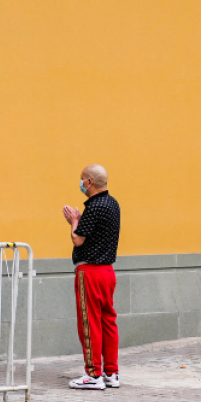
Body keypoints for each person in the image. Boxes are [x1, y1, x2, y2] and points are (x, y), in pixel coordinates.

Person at [61, 163, 121, 390]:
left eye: (82, 179)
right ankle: (111, 373)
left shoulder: (94, 206)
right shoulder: (113, 204)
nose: (80, 183)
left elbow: (78, 239)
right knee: (108, 322)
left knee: (89, 323)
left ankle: (93, 374)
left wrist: (74, 221)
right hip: (107, 271)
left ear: (90, 182)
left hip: (90, 273)